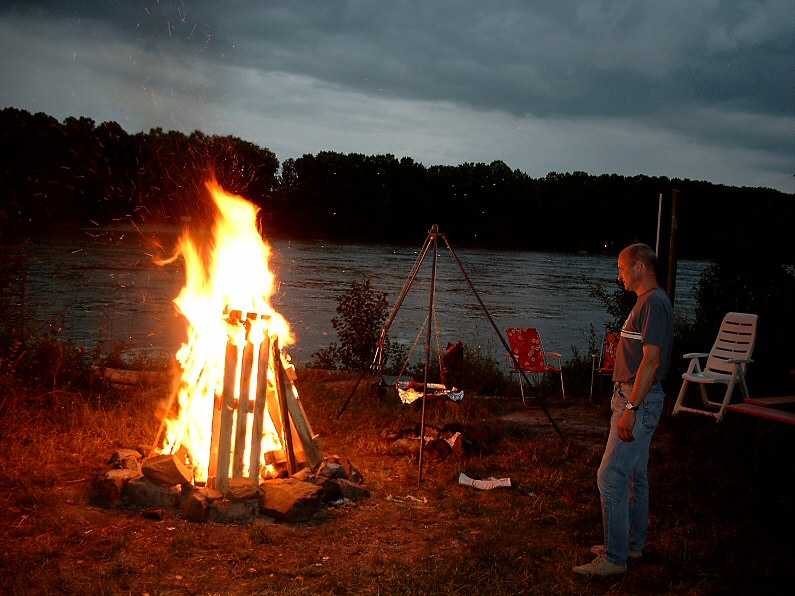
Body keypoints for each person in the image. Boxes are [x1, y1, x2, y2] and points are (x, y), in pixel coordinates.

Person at [573, 243, 673, 577]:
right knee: (633, 475)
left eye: (621, 268)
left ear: (640, 267)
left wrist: (631, 407)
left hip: (637, 400)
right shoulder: (647, 302)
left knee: (610, 477)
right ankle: (631, 544)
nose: (619, 275)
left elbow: (652, 361)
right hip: (632, 396)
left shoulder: (654, 303)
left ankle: (615, 559)